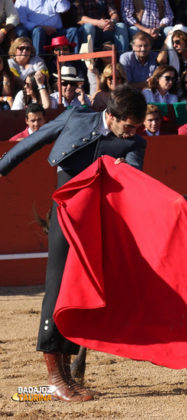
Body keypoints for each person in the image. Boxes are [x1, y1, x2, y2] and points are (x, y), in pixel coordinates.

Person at [0, 85, 147, 401]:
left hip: (97, 223)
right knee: (56, 289)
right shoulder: (76, 117)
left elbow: (135, 175)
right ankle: (54, 379)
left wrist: (122, 171)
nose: (132, 133)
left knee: (78, 293)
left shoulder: (134, 142)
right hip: (65, 217)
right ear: (112, 116)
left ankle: (65, 376)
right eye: (129, 126)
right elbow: (33, 141)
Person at [14, 0, 79, 56]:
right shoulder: (22, 1)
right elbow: (22, 21)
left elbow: (64, 8)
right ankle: (39, 62)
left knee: (73, 31)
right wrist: (42, 27)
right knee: (39, 31)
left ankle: (75, 62)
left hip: (56, 31)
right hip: (36, 32)